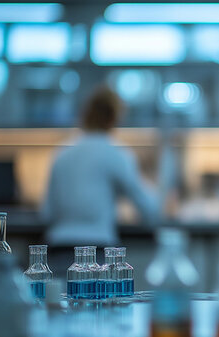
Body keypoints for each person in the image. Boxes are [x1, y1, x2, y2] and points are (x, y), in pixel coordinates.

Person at [41, 86, 158, 271]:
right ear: (114, 118)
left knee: (60, 299)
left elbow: (47, 212)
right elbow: (149, 209)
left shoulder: (62, 153)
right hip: (97, 254)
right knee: (97, 300)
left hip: (58, 250)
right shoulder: (115, 154)